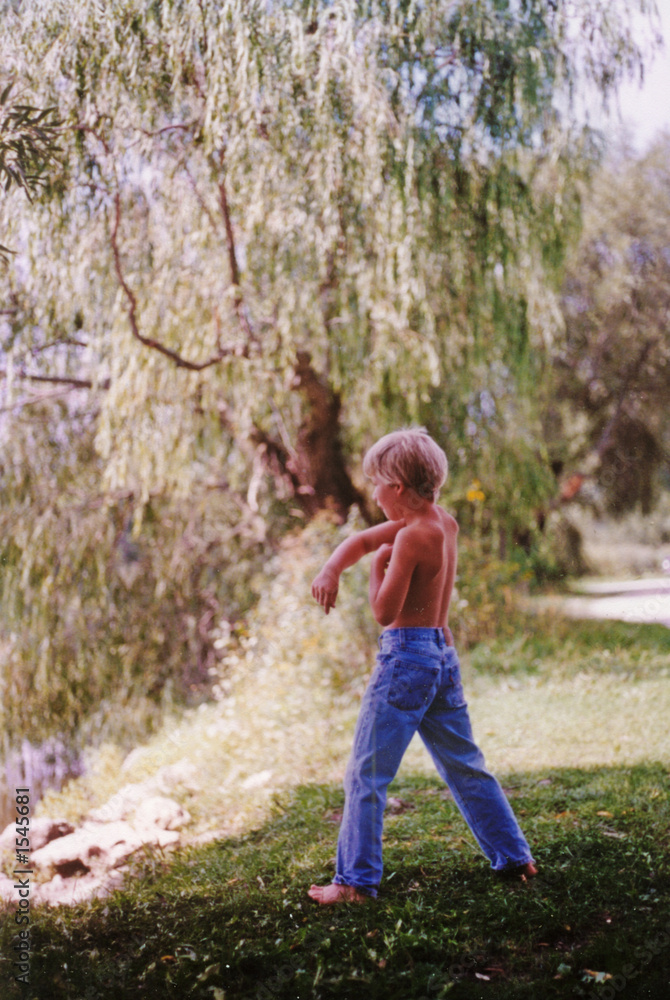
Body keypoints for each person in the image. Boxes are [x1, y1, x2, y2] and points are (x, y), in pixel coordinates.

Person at [308, 428, 536, 905]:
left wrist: (376, 570)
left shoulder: (411, 538)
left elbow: (384, 612)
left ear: (397, 487)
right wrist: (332, 567)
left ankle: (354, 882)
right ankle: (514, 856)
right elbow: (364, 540)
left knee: (366, 774)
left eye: (376, 484)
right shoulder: (442, 524)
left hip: (404, 659)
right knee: (466, 766)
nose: (372, 493)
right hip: (439, 651)